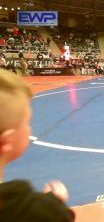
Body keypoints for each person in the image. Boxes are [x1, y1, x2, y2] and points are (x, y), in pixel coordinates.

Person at [0, 70, 74, 222]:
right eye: (26, 122)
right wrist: (55, 205)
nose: (29, 128)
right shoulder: (30, 209)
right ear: (6, 141)